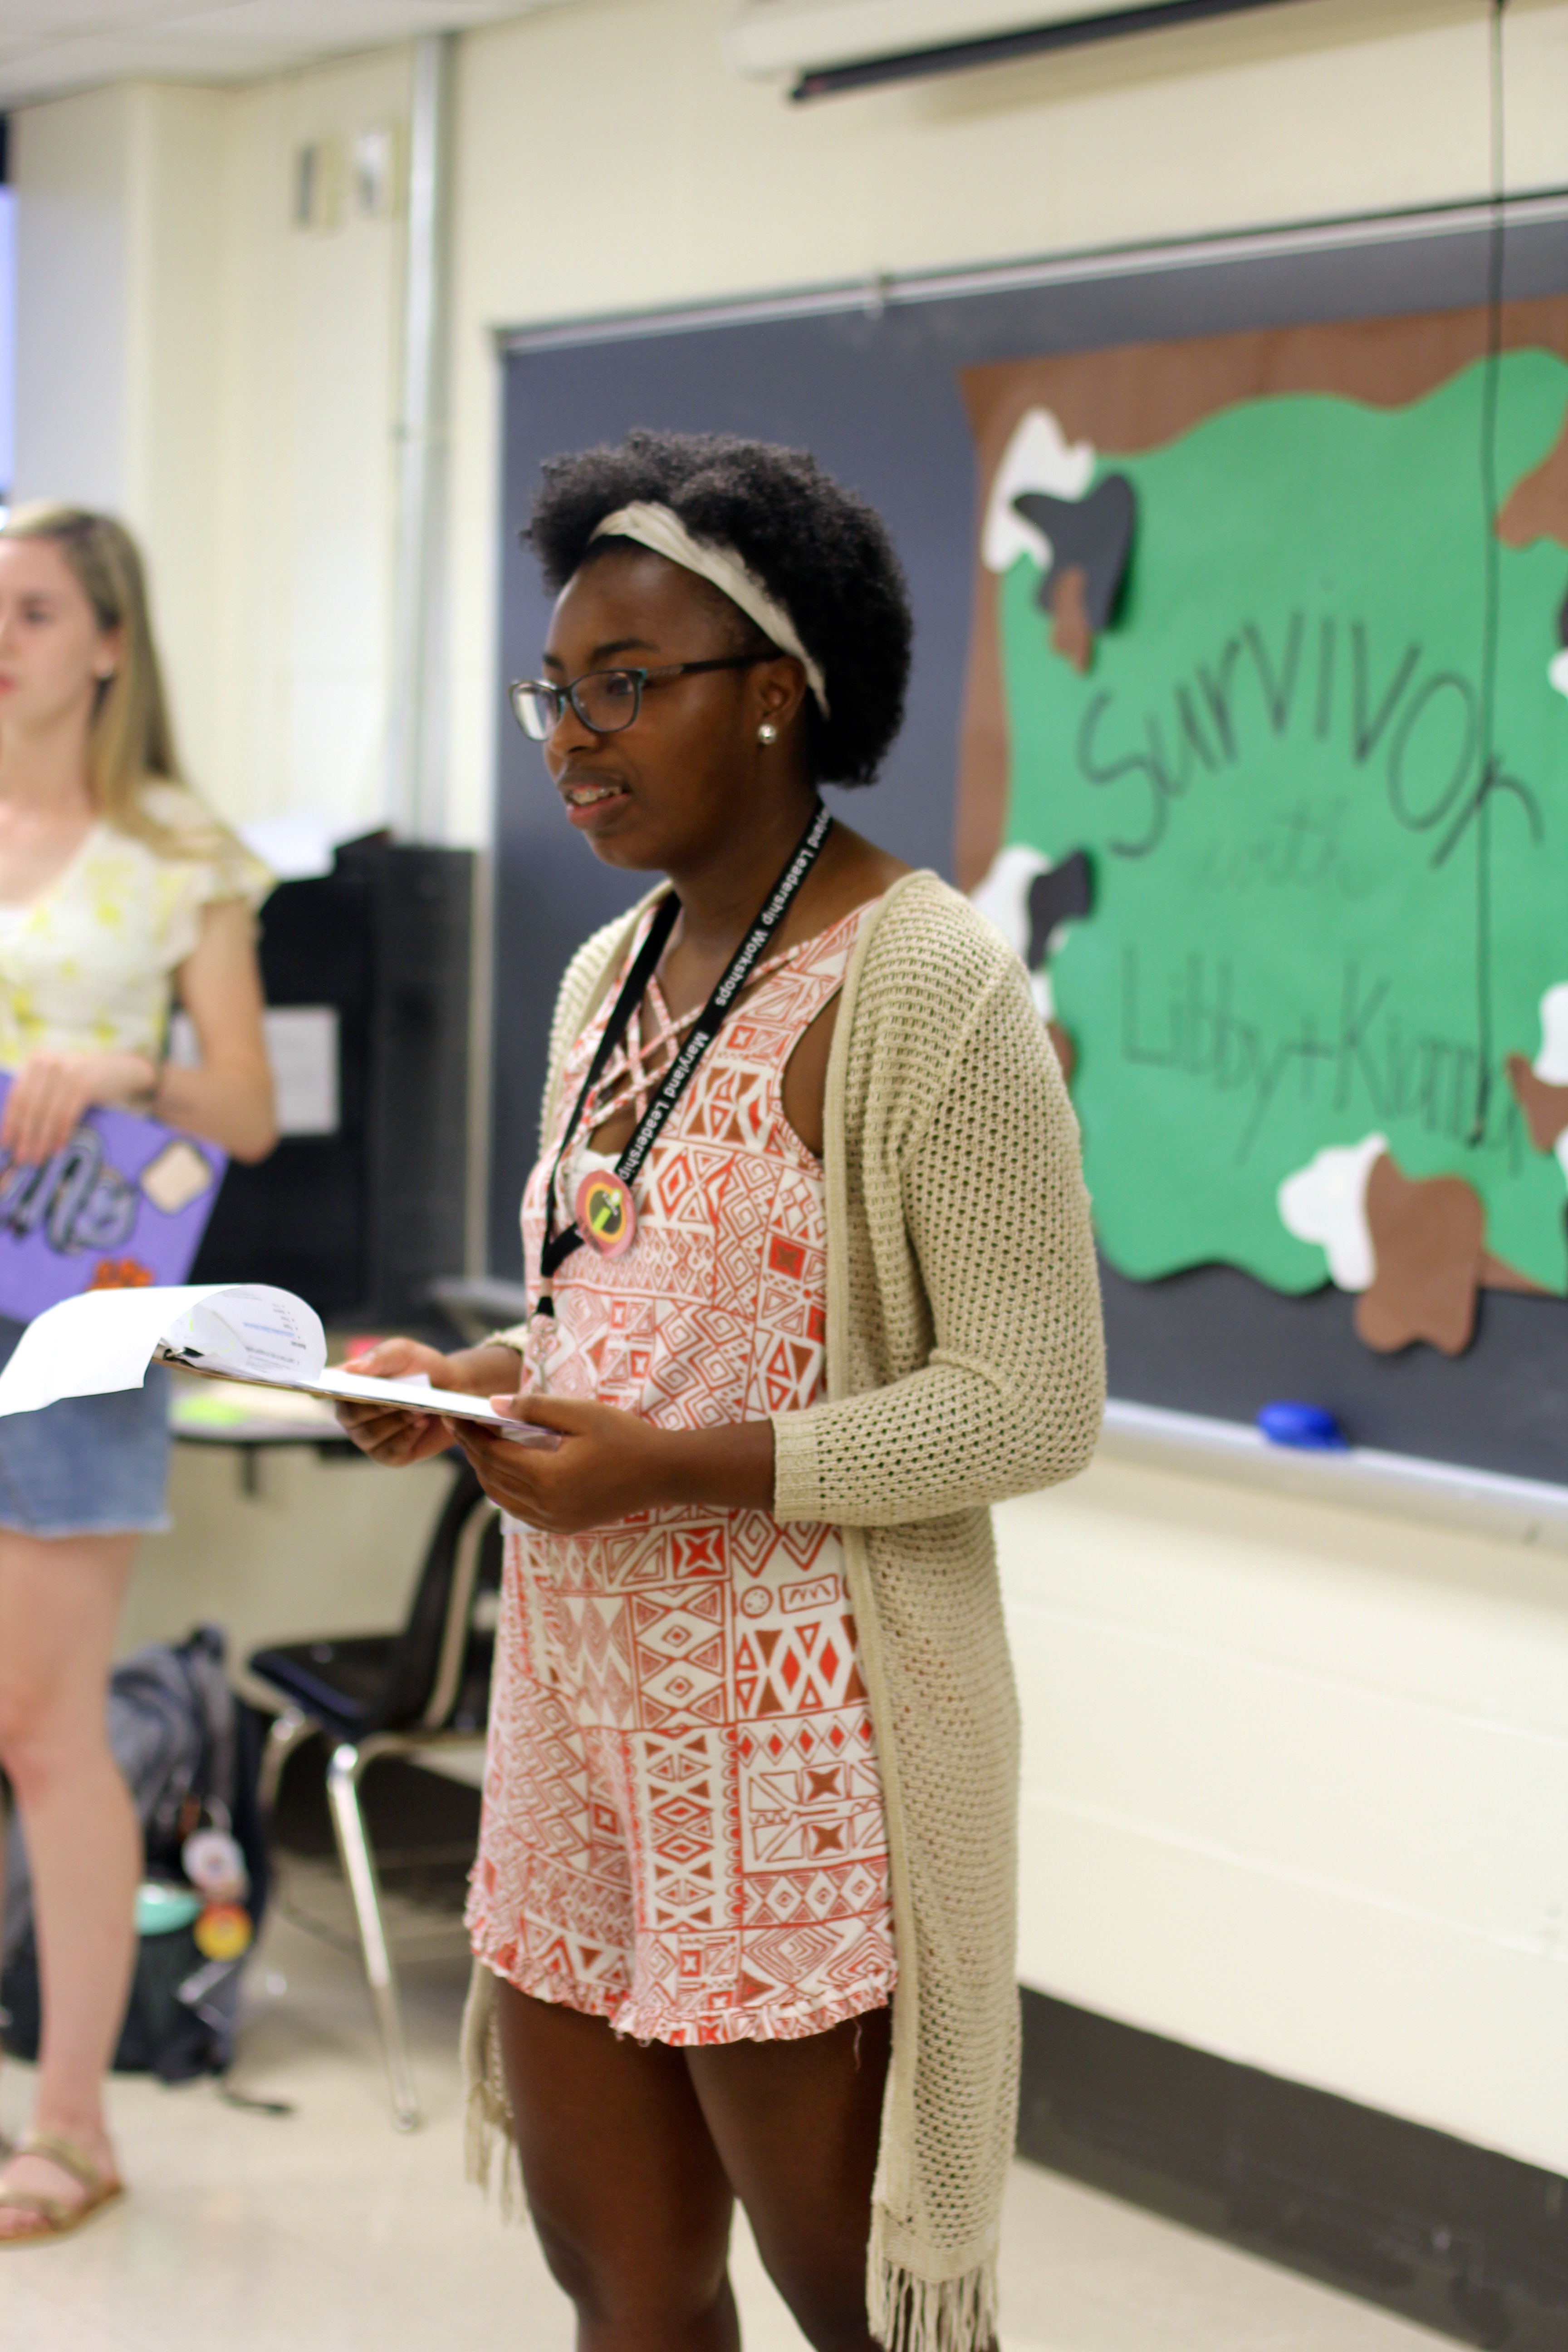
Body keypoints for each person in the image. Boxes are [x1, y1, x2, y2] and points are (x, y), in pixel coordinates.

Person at [338, 431, 1104, 2352]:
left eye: (626, 685)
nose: (574, 740)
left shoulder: (930, 986)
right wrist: (473, 1385)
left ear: (777, 694)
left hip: (803, 1755)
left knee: (863, 2306)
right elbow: (612, 1317)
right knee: (623, 2280)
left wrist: (672, 1466)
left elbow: (1034, 1402)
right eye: (557, 693)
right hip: (577, 1727)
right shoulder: (605, 972)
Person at [0, 506, 276, 2245]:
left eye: (30, 611)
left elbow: (246, 1107)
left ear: (108, 642)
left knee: (41, 1727)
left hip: (71, 1324)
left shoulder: (178, 851)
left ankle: (74, 2125)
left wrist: (125, 1072)